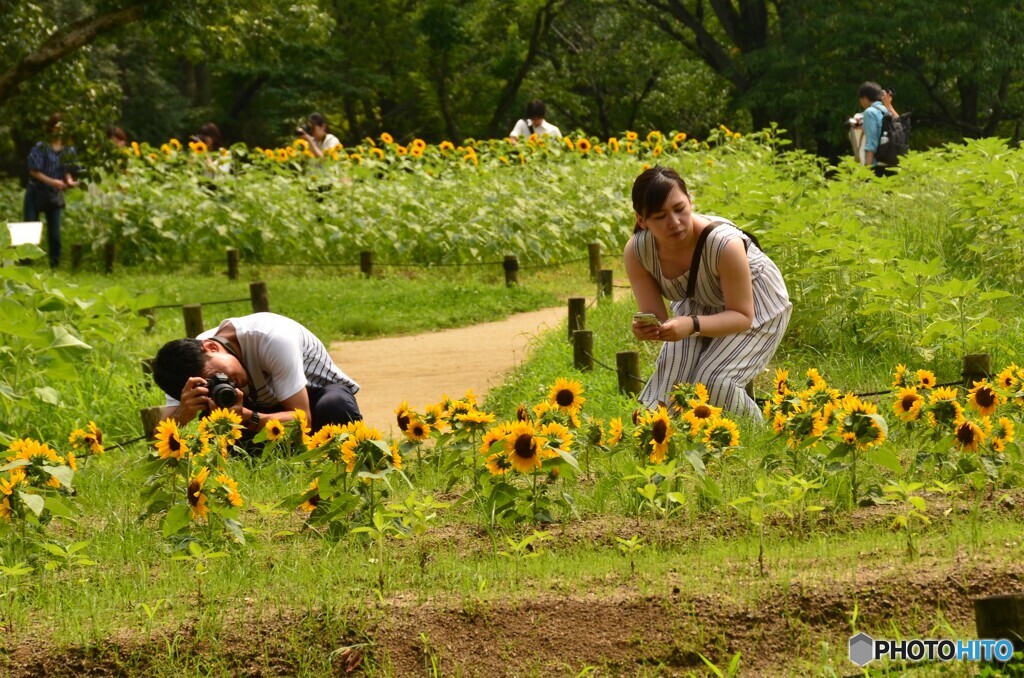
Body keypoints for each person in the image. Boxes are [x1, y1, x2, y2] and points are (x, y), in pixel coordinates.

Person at [625, 166, 792, 419]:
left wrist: (691, 324)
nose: (674, 222)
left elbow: (742, 316)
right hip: (701, 302)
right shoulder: (638, 252)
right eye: (660, 216)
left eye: (680, 209)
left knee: (714, 381)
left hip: (757, 303)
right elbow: (657, 318)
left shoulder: (724, 244)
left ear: (690, 200)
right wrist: (648, 328)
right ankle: (676, 443)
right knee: (673, 381)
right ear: (641, 220)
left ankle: (755, 439)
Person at [152, 312, 362, 433]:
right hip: (264, 414)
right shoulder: (184, 369)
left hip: (314, 403)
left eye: (216, 376)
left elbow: (302, 419)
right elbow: (158, 439)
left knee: (335, 404)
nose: (224, 383)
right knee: (212, 417)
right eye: (207, 384)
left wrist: (246, 417)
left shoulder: (272, 338)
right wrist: (183, 414)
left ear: (211, 347)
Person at [23, 113, 78, 269]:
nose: (60, 131)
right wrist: (53, 181)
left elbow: (67, 170)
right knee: (29, 231)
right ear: (51, 128)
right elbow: (33, 171)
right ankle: (26, 267)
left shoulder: (69, 150)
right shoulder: (41, 147)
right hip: (35, 192)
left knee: (55, 235)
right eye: (57, 127)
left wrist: (69, 181)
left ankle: (54, 266)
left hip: (54, 196)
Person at [857, 82, 900, 175]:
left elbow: (872, 144)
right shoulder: (887, 110)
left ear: (864, 98)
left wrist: (866, 170)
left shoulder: (869, 112)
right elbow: (900, 124)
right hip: (893, 163)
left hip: (878, 166)